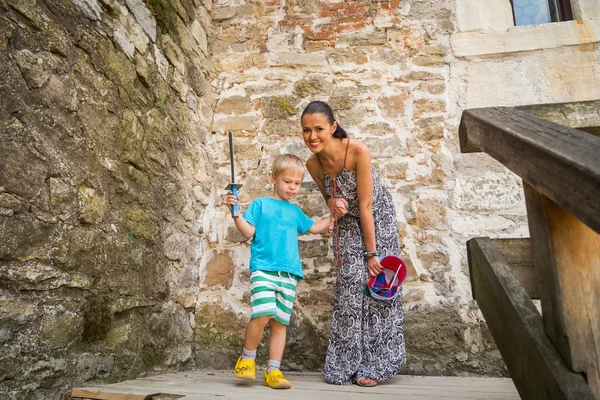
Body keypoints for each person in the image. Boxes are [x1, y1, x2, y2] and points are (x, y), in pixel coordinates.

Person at [301, 101, 406, 387]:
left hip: (376, 217)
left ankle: (377, 365)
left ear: (333, 127)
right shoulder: (312, 163)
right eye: (307, 130)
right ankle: (345, 364)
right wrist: (332, 202)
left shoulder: (358, 151)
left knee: (377, 285)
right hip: (347, 222)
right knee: (350, 282)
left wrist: (372, 253)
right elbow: (330, 199)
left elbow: (367, 204)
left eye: (319, 129)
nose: (312, 136)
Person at [225, 153, 335, 390]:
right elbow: (247, 232)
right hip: (264, 270)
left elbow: (315, 228)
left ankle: (273, 371)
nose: (292, 188)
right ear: (273, 178)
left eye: (296, 184)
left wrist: (332, 216)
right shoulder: (261, 204)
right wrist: (235, 213)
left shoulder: (295, 212)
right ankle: (247, 358)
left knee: (280, 322)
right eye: (287, 182)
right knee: (263, 313)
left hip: (289, 274)